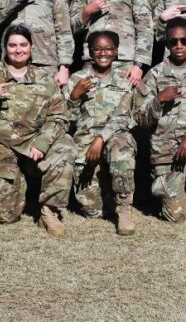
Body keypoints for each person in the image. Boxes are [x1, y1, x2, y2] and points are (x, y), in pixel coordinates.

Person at [0, 26, 76, 236]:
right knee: (4, 215)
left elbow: (58, 117)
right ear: (5, 48)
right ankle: (17, 181)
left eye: (23, 45)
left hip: (32, 144)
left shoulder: (45, 78)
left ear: (31, 47)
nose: (18, 50)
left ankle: (48, 210)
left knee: (65, 146)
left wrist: (43, 143)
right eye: (12, 45)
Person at [110, 17, 186, 229]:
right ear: (166, 44)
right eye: (173, 41)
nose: (179, 46)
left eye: (184, 41)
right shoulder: (154, 76)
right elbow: (140, 119)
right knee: (175, 217)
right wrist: (158, 101)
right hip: (165, 148)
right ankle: (165, 185)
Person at [64, 29, 137, 234]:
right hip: (84, 139)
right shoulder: (77, 78)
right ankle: (104, 189)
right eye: (97, 49)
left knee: (121, 151)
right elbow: (65, 119)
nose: (102, 53)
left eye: (107, 49)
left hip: (116, 134)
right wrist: (74, 97)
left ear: (115, 52)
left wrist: (101, 138)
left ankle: (124, 209)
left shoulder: (125, 80)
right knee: (93, 211)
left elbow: (125, 117)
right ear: (90, 52)